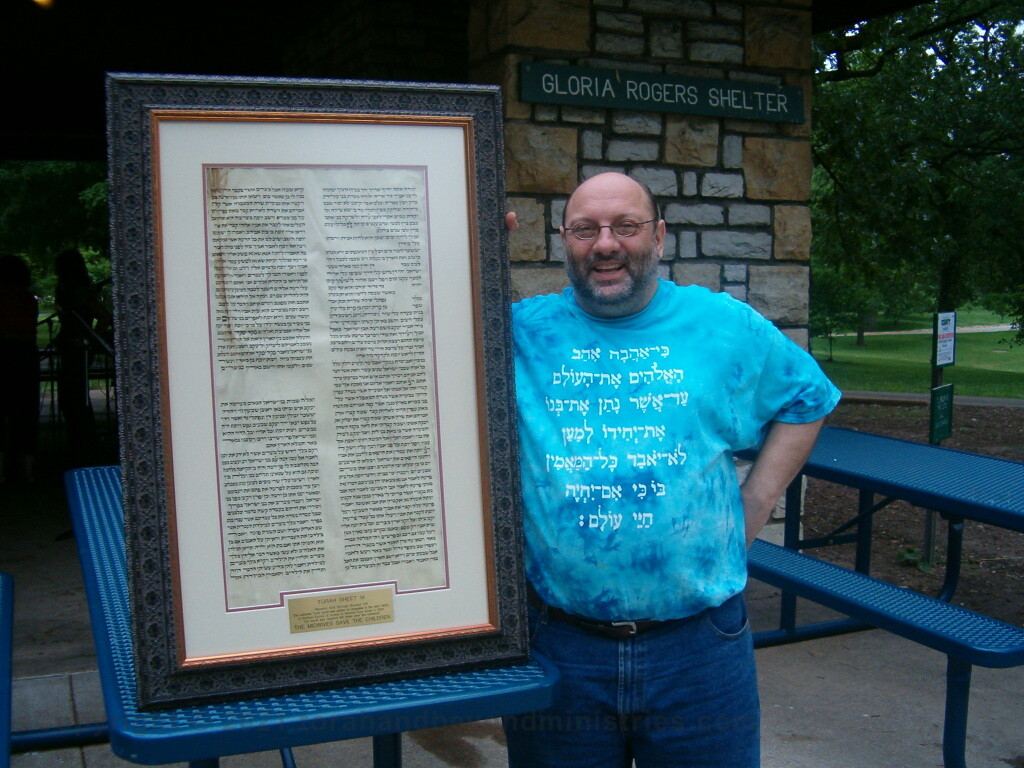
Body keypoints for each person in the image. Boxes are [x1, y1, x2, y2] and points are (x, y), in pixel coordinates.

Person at [502, 172, 841, 767]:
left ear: (659, 236)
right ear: (564, 240)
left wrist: (755, 502)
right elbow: (421, 341)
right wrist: (473, 248)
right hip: (559, 646)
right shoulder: (519, 333)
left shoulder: (722, 326)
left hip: (700, 651)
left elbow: (806, 398)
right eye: (585, 229)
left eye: (626, 226)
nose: (605, 244)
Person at [54, 248, 111, 466]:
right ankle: (79, 448)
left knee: (76, 401)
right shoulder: (66, 290)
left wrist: (91, 339)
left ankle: (84, 450)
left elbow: (105, 316)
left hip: (78, 350)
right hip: (68, 348)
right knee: (70, 401)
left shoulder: (80, 292)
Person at [0, 254, 40, 484]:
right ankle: (27, 471)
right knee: (25, 414)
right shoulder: (28, 299)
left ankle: (2, 472)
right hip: (25, 356)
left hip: (3, 352)